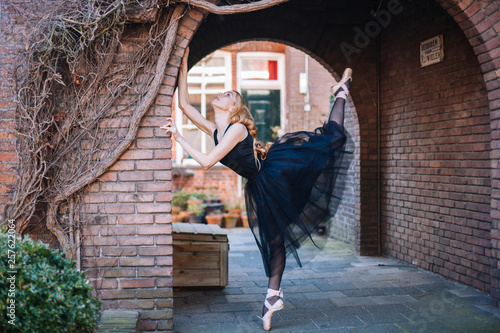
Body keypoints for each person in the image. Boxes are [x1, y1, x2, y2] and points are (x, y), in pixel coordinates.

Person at [161, 48, 352, 331]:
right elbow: (185, 107)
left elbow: (205, 161)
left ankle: (341, 92)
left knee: (330, 142)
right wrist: (183, 63)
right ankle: (272, 298)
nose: (221, 94)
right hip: (262, 186)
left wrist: (178, 137)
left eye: (228, 94)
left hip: (277, 174)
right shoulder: (217, 130)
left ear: (233, 107)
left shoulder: (237, 129)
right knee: (274, 242)